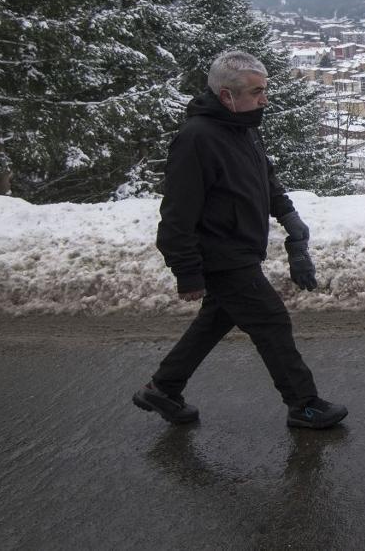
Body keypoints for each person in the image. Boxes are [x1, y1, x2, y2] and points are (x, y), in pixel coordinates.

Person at [132, 50, 347, 430]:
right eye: (256, 91)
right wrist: (187, 272)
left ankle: (163, 388)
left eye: (265, 90)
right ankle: (304, 405)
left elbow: (264, 178)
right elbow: (176, 215)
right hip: (221, 254)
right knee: (271, 322)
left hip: (241, 247)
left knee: (216, 320)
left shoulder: (243, 126)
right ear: (227, 96)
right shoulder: (196, 139)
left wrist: (288, 215)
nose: (265, 99)